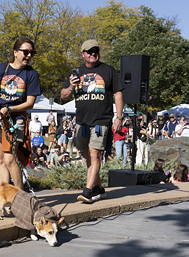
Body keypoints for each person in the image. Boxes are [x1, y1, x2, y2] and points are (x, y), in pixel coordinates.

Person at [61, 39, 124, 203]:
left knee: (95, 154)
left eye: (95, 50)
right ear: (83, 54)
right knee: (87, 154)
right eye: (89, 51)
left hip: (101, 121)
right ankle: (99, 188)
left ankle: (88, 191)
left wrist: (119, 116)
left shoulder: (108, 70)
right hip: (82, 122)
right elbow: (63, 96)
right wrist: (70, 87)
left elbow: (118, 93)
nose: (93, 54)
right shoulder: (75, 72)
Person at [0, 37, 41, 190]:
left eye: (32, 53)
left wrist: (10, 109)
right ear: (15, 52)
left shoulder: (32, 74)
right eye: (26, 52)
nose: (29, 55)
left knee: (10, 158)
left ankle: (20, 196)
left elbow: (30, 103)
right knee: (0, 159)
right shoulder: (2, 68)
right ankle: (5, 198)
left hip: (16, 118)